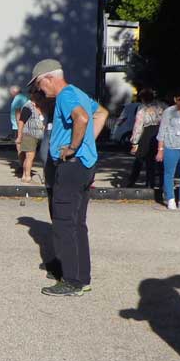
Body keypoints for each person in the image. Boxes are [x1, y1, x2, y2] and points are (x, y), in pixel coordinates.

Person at [30, 59, 108, 297]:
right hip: (84, 167)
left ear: (49, 78)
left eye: (39, 84)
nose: (40, 90)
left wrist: (74, 146)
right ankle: (81, 277)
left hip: (71, 167)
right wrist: (87, 142)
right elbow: (101, 114)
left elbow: (82, 118)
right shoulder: (78, 92)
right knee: (77, 223)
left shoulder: (65, 95)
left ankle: (72, 281)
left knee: (64, 223)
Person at [126, 89, 164, 192]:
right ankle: (160, 183)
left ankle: (136, 181)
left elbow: (138, 126)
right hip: (160, 132)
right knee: (159, 160)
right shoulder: (161, 107)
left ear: (142, 98)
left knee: (142, 158)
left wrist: (134, 142)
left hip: (147, 132)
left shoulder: (142, 109)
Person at [15, 91, 46, 183]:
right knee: (29, 157)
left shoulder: (40, 106)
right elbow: (21, 122)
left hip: (39, 135)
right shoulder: (28, 107)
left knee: (30, 157)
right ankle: (26, 176)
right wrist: (19, 136)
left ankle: (25, 176)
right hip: (29, 134)